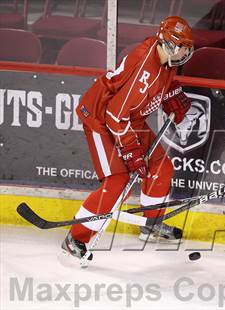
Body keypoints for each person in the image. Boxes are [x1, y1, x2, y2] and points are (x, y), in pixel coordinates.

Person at [61, 16, 194, 261]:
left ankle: (151, 222)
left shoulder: (165, 58)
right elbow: (114, 115)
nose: (186, 50)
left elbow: (155, 86)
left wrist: (169, 95)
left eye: (188, 45)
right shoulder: (145, 70)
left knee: (161, 166)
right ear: (168, 43)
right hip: (101, 119)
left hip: (129, 119)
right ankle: (76, 238)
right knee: (117, 180)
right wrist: (131, 151)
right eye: (182, 45)